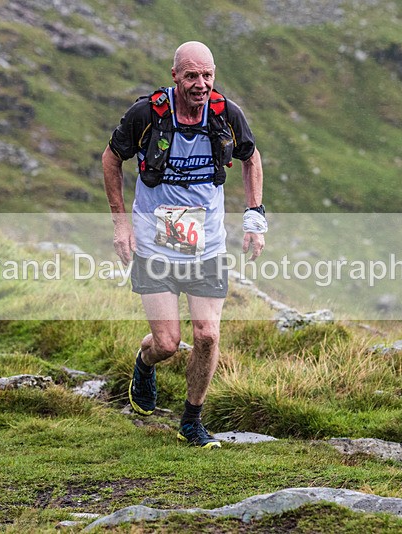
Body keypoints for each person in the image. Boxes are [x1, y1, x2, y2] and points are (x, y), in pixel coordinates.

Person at [102, 41, 266, 449]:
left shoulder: (226, 114)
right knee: (167, 344)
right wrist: (121, 225)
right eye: (191, 75)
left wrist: (254, 215)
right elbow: (110, 159)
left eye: (207, 75)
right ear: (175, 75)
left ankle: (191, 420)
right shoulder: (147, 114)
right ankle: (144, 363)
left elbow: (251, 157)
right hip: (157, 239)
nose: (201, 84)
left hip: (206, 240)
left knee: (208, 334)